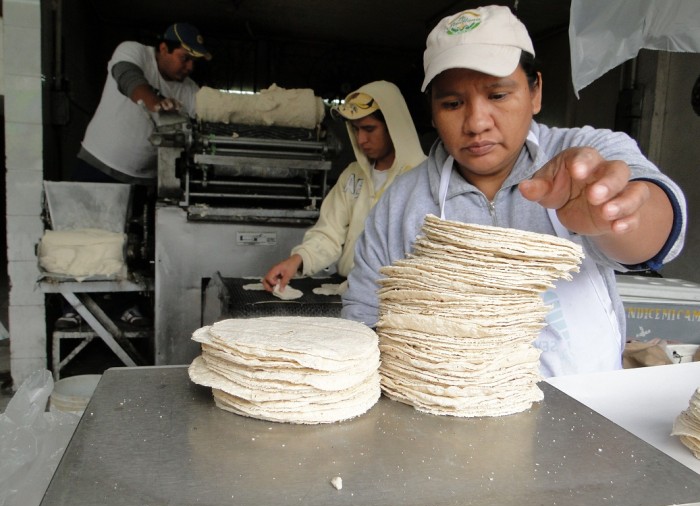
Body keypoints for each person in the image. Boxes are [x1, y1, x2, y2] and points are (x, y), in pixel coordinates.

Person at [342, 5, 687, 377]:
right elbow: (364, 317)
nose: (476, 123)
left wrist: (614, 214)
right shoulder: (402, 202)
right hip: (449, 412)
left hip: (587, 410)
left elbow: (659, 229)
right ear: (432, 112)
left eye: (498, 95)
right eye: (452, 103)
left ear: (535, 92)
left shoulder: (586, 154)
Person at [57, 23, 212, 329]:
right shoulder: (134, 52)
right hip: (98, 164)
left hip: (143, 178)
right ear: (164, 48)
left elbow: (205, 117)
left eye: (194, 61)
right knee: (82, 239)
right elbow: (128, 79)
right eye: (185, 58)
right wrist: (156, 104)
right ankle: (72, 307)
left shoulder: (189, 90)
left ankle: (128, 306)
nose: (189, 66)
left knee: (136, 246)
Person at [262, 80, 426, 294]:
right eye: (356, 130)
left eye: (369, 129)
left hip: (399, 296)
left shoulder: (423, 179)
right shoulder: (352, 176)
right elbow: (330, 232)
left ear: (394, 126)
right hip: (349, 291)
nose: (361, 139)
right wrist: (297, 260)